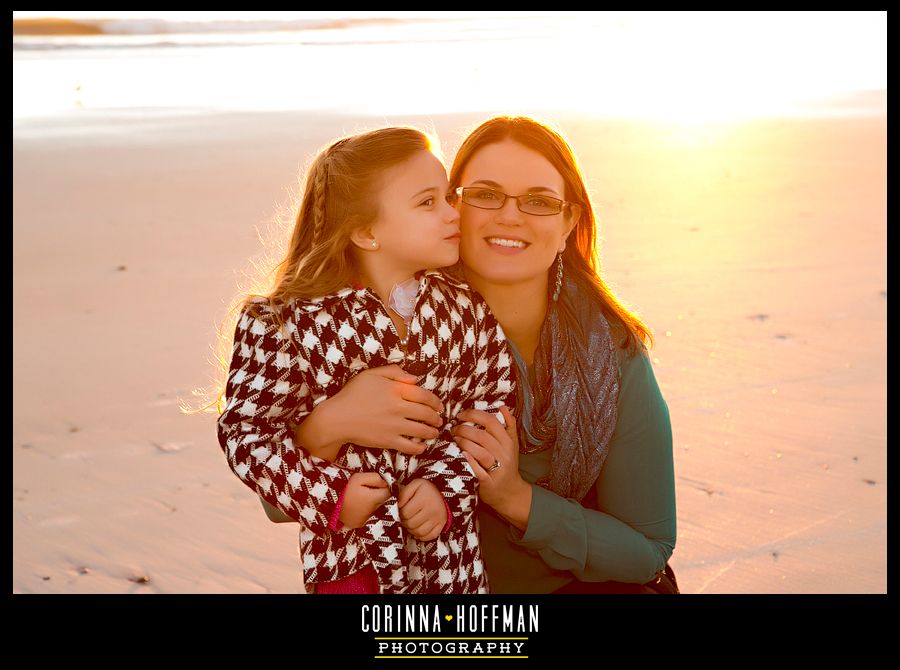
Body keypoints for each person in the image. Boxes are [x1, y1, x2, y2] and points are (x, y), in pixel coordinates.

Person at [292, 116, 678, 594]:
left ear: (568, 223)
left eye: (538, 201)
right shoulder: (386, 326)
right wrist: (332, 422)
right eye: (485, 194)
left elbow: (646, 550)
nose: (509, 217)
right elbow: (277, 499)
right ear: (453, 206)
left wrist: (515, 498)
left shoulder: (612, 353)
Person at [216, 127, 514, 594]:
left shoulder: (466, 309)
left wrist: (445, 487)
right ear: (365, 232)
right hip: (352, 560)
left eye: (447, 197)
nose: (452, 214)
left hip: (449, 561)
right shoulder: (286, 323)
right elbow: (246, 433)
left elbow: (491, 407)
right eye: (427, 203)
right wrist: (331, 497)